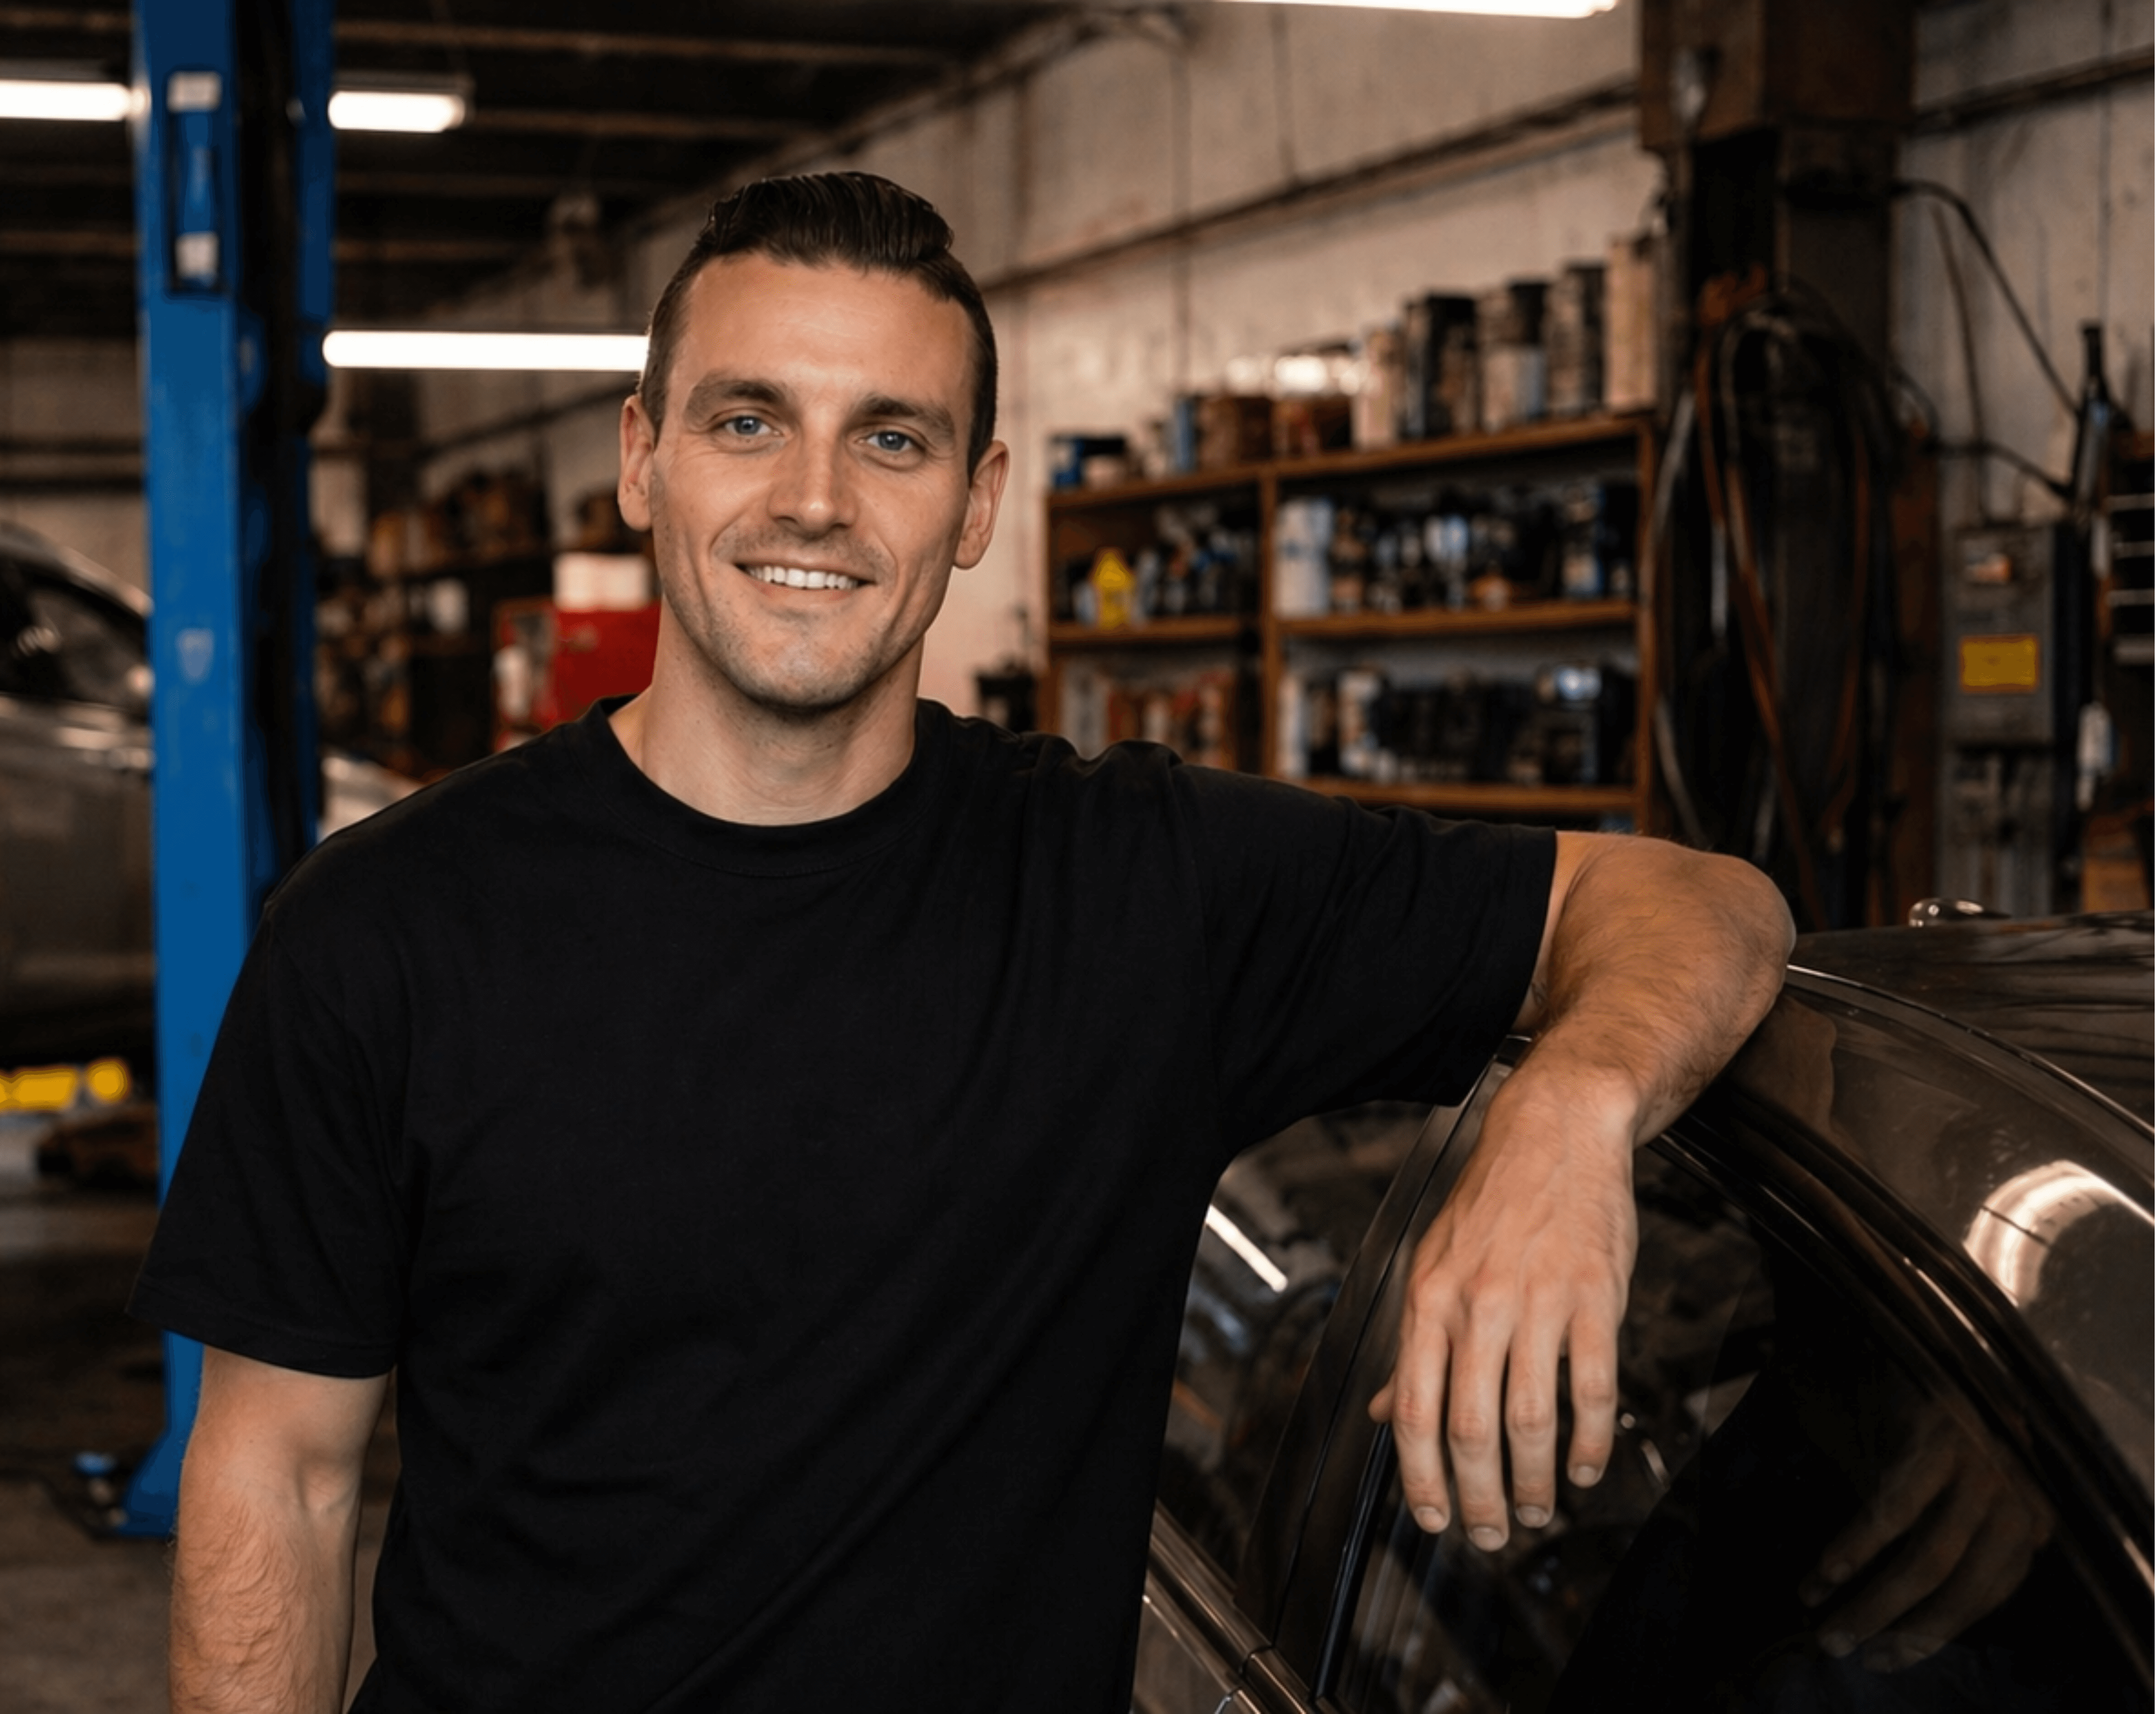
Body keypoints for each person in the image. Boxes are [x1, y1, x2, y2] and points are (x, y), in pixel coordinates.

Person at [132, 171, 1795, 1714]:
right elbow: (281, 1474)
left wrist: (1570, 1110)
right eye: (747, 420)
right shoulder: (384, 931)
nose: (815, 500)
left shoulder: (1147, 889)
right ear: (644, 459)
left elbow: (1702, 904)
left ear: (981, 500)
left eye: (895, 441)